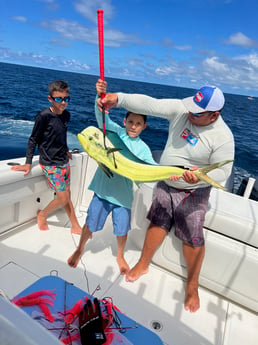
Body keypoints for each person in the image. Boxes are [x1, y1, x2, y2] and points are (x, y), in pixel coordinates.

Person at [97, 85, 235, 313]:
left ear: (214, 115)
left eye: (198, 113)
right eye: (192, 107)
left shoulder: (223, 138)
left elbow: (223, 172)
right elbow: (149, 103)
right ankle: (143, 264)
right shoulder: (183, 109)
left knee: (192, 237)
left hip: (194, 189)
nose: (190, 113)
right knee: (158, 221)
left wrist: (197, 179)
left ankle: (192, 284)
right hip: (165, 179)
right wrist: (118, 99)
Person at [67, 79, 156, 274]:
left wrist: (173, 175)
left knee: (121, 230)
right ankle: (80, 247)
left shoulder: (143, 149)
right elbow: (102, 117)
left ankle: (120, 255)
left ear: (144, 127)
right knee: (90, 223)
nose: (133, 126)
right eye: (131, 122)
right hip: (102, 191)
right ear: (124, 122)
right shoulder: (115, 133)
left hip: (123, 198)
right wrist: (99, 96)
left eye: (138, 123)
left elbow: (153, 170)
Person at [11, 80, 81, 234]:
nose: (63, 102)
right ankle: (42, 214)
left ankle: (75, 225)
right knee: (62, 198)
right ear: (50, 99)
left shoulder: (66, 115)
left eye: (66, 99)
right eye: (58, 99)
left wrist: (66, 149)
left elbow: (60, 135)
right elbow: (33, 139)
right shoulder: (43, 116)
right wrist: (28, 163)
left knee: (66, 195)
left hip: (63, 160)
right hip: (50, 163)